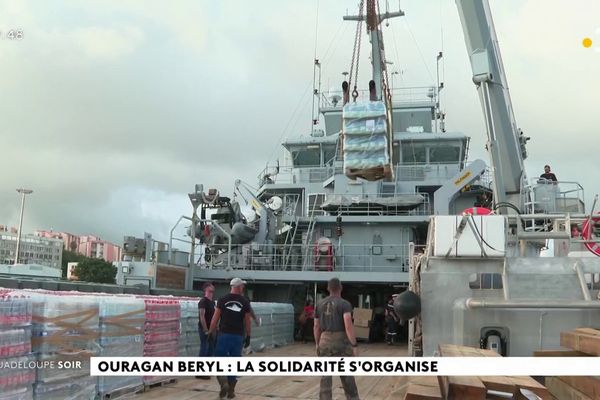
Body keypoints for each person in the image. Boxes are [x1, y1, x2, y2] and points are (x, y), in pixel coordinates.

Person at [313, 278, 360, 400]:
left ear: (328, 289)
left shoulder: (319, 304)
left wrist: (317, 344)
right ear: (341, 288)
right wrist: (354, 345)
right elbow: (348, 325)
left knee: (325, 377)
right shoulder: (344, 304)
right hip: (341, 343)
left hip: (324, 341)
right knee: (347, 376)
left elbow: (316, 326)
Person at [208, 278, 252, 399]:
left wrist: (210, 332)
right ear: (237, 287)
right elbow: (247, 321)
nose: (243, 288)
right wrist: (248, 336)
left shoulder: (222, 300)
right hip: (238, 337)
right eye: (242, 286)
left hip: (223, 336)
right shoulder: (245, 301)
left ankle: (223, 383)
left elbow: (215, 318)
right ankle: (231, 391)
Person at [197, 282, 216, 379]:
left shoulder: (212, 302)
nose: (212, 288)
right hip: (204, 329)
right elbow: (202, 316)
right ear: (206, 289)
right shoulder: (203, 302)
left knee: (210, 350)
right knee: (204, 348)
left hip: (212, 329)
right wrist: (205, 330)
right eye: (210, 287)